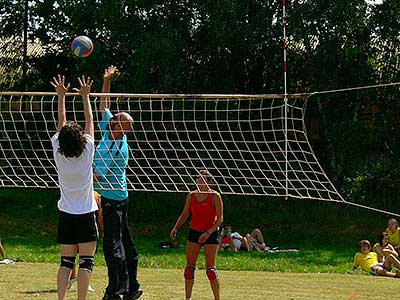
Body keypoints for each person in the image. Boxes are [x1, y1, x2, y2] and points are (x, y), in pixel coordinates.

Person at [93, 66, 141, 300]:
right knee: (125, 243)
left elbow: (97, 176)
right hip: (119, 196)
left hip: (112, 199)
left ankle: (116, 290)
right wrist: (107, 81)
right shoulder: (109, 132)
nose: (111, 119)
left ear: (118, 127)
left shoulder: (114, 146)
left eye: (120, 123)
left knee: (113, 246)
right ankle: (132, 287)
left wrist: (77, 169)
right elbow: (104, 105)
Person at [51, 75, 98, 300]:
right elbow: (89, 122)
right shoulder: (88, 150)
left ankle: (60, 299)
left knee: (66, 262)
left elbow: (62, 122)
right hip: (86, 214)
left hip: (66, 215)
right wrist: (85, 96)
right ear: (80, 139)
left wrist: (61, 97)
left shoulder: (59, 153)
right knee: (86, 262)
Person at [170, 170, 223, 300]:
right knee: (189, 269)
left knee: (210, 270)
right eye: (198, 177)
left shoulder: (215, 196)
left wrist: (208, 233)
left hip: (210, 233)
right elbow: (184, 214)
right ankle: (188, 298)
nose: (198, 180)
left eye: (202, 178)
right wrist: (176, 227)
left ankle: (217, 298)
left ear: (208, 182)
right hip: (195, 232)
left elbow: (220, 218)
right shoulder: (191, 195)